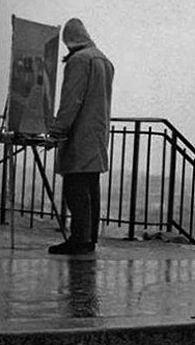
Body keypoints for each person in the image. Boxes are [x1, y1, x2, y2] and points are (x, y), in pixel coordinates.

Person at [48, 18, 114, 255]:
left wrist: (57, 131)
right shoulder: (103, 60)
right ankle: (89, 238)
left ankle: (79, 238)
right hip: (97, 134)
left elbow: (71, 101)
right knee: (91, 188)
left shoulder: (79, 61)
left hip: (79, 135)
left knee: (75, 189)